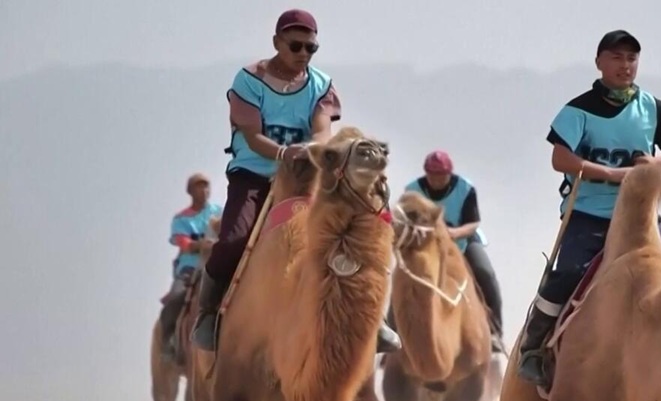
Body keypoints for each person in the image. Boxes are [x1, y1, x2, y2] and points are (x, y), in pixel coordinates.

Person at [190, 9, 401, 353]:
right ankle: (208, 312)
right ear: (277, 42)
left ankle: (372, 316)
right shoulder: (248, 80)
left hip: (306, 174)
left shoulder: (321, 85)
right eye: (296, 46)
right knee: (233, 237)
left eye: (311, 48)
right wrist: (282, 154)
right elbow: (253, 135)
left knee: (360, 225)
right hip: (254, 173)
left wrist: (311, 150)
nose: (303, 54)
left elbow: (321, 130)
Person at [517, 30, 661, 386]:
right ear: (599, 62)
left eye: (631, 59)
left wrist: (655, 166)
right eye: (617, 58)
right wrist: (611, 173)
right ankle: (533, 346)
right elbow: (560, 158)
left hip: (639, 214)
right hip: (589, 211)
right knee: (568, 272)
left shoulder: (653, 107)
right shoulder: (579, 110)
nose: (625, 66)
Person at [404, 150, 505, 353]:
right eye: (433, 176)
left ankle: (494, 331)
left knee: (485, 272)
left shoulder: (465, 189)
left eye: (442, 176)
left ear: (449, 174)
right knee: (403, 278)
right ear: (426, 174)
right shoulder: (412, 192)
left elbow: (473, 223)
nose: (437, 180)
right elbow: (407, 222)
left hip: (463, 241)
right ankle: (397, 334)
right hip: (426, 245)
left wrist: (451, 233)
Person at [159, 173, 223, 360]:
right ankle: (168, 342)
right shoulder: (181, 219)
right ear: (190, 191)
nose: (204, 190)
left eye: (206, 186)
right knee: (175, 298)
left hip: (216, 264)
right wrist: (199, 245)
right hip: (190, 268)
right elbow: (182, 242)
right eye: (198, 187)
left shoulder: (219, 212)